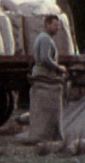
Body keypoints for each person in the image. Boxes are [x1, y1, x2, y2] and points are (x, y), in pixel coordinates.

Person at [27, 14, 67, 145]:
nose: (58, 27)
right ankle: (46, 137)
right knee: (48, 110)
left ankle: (42, 135)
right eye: (55, 25)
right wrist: (59, 68)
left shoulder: (44, 38)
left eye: (59, 25)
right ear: (47, 25)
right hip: (44, 77)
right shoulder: (45, 39)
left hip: (43, 76)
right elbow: (45, 58)